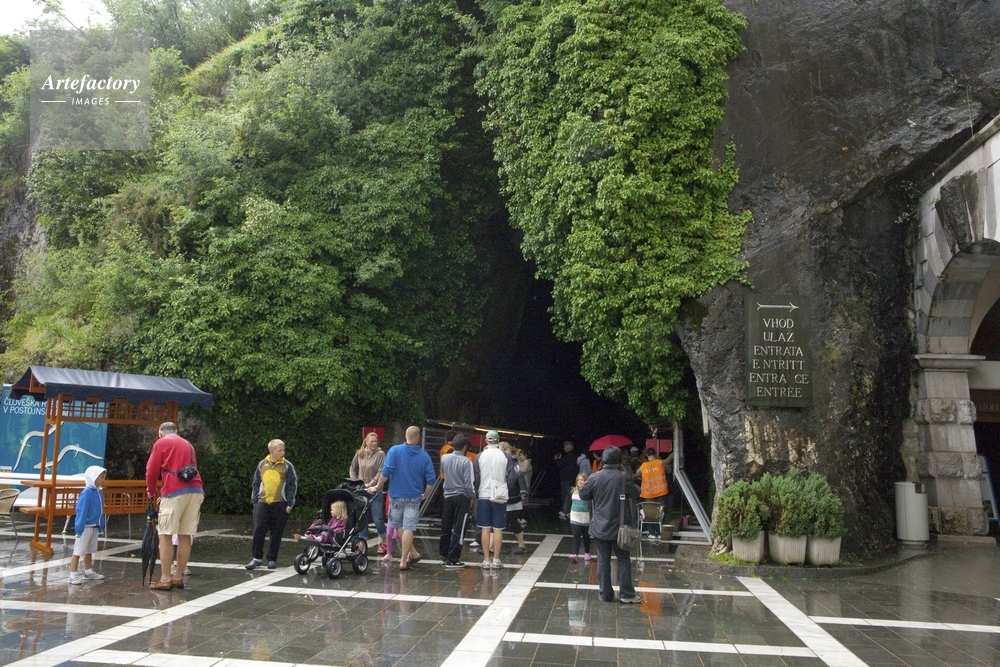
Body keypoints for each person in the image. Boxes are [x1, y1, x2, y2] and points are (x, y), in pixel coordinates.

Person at [366, 425, 435, 570]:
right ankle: (404, 560)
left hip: (396, 495)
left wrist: (377, 487)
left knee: (397, 525)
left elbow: (386, 472)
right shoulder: (424, 456)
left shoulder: (395, 451)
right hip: (414, 496)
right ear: (417, 438)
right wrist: (425, 494)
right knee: (409, 527)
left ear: (405, 436)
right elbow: (431, 480)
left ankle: (412, 554)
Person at [146, 421, 204, 591]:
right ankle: (178, 577)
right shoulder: (188, 445)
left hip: (174, 491)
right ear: (176, 432)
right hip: (196, 490)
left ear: (160, 433)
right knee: (185, 534)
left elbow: (151, 470)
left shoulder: (161, 443)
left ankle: (165, 578)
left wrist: (151, 490)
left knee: (165, 534)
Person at [579, 446, 641, 604]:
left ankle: (606, 594)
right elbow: (636, 492)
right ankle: (626, 594)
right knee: (623, 559)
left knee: (603, 560)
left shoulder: (594, 477)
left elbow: (583, 494)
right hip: (621, 527)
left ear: (603, 460)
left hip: (600, 527)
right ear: (618, 460)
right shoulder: (623, 477)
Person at [246, 439, 297, 570]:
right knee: (259, 530)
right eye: (280, 450)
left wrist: (290, 504)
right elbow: (256, 483)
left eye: (283, 450)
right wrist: (255, 500)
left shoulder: (287, 466)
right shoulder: (262, 464)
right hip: (262, 502)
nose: (283, 453)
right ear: (271, 451)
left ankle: (272, 558)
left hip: (280, 503)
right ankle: (256, 558)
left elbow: (292, 485)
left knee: (276, 532)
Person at [439, 434, 475, 568]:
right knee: (459, 527)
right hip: (462, 496)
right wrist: (472, 496)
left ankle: (444, 553)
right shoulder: (467, 462)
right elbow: (469, 483)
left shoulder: (444, 458)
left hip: (447, 495)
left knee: (446, 525)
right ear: (465, 446)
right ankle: (453, 558)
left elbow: (443, 473)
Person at [473, 430, 508, 569]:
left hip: (484, 494)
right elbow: (512, 476)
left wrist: (479, 488)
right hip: (500, 495)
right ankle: (496, 559)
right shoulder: (505, 456)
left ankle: (486, 560)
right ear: (498, 440)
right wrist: (505, 486)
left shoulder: (480, 456)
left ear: (486, 441)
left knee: (485, 528)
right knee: (498, 529)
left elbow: (476, 477)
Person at [69, 465, 107, 585]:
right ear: (93, 477)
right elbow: (82, 510)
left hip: (94, 525)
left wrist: (100, 525)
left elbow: (101, 510)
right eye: (101, 477)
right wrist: (79, 528)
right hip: (85, 527)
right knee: (78, 551)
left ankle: (88, 571)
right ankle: (72, 575)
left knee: (89, 550)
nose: (103, 480)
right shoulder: (87, 492)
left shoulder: (98, 492)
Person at [350, 431, 387, 552]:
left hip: (375, 491)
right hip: (361, 491)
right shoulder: (360, 453)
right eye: (372, 441)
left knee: (377, 518)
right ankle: (362, 543)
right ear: (366, 442)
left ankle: (384, 541)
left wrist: (371, 484)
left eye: (376, 441)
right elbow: (352, 468)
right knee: (362, 518)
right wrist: (355, 482)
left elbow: (381, 471)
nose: (374, 443)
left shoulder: (381, 454)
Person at [499, 442, 527, 555]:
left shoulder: (513, 462)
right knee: (497, 522)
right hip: (500, 494)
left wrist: (523, 490)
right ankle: (491, 545)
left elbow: (520, 476)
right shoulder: (498, 461)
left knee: (512, 521)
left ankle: (521, 544)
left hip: (511, 495)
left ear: (505, 450)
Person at [636, 447, 669, 514]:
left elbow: (637, 473)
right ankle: (660, 520)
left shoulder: (644, 465)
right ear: (655, 454)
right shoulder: (660, 463)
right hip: (661, 492)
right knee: (660, 512)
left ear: (646, 455)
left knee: (650, 513)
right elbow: (669, 470)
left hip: (648, 493)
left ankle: (651, 520)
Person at [568, 473, 591, 564]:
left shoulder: (589, 492)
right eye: (578, 480)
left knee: (586, 536)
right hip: (575, 517)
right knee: (576, 536)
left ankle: (587, 552)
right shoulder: (573, 491)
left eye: (582, 480)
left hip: (586, 517)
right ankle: (575, 554)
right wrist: (566, 511)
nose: (580, 481)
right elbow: (568, 502)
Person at [555, 441, 578, 519]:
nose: (564, 448)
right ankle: (567, 511)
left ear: (568, 447)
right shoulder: (574, 456)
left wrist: (557, 459)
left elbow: (559, 465)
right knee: (568, 496)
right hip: (571, 479)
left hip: (566, 479)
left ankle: (565, 512)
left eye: (565, 447)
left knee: (565, 496)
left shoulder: (568, 457)